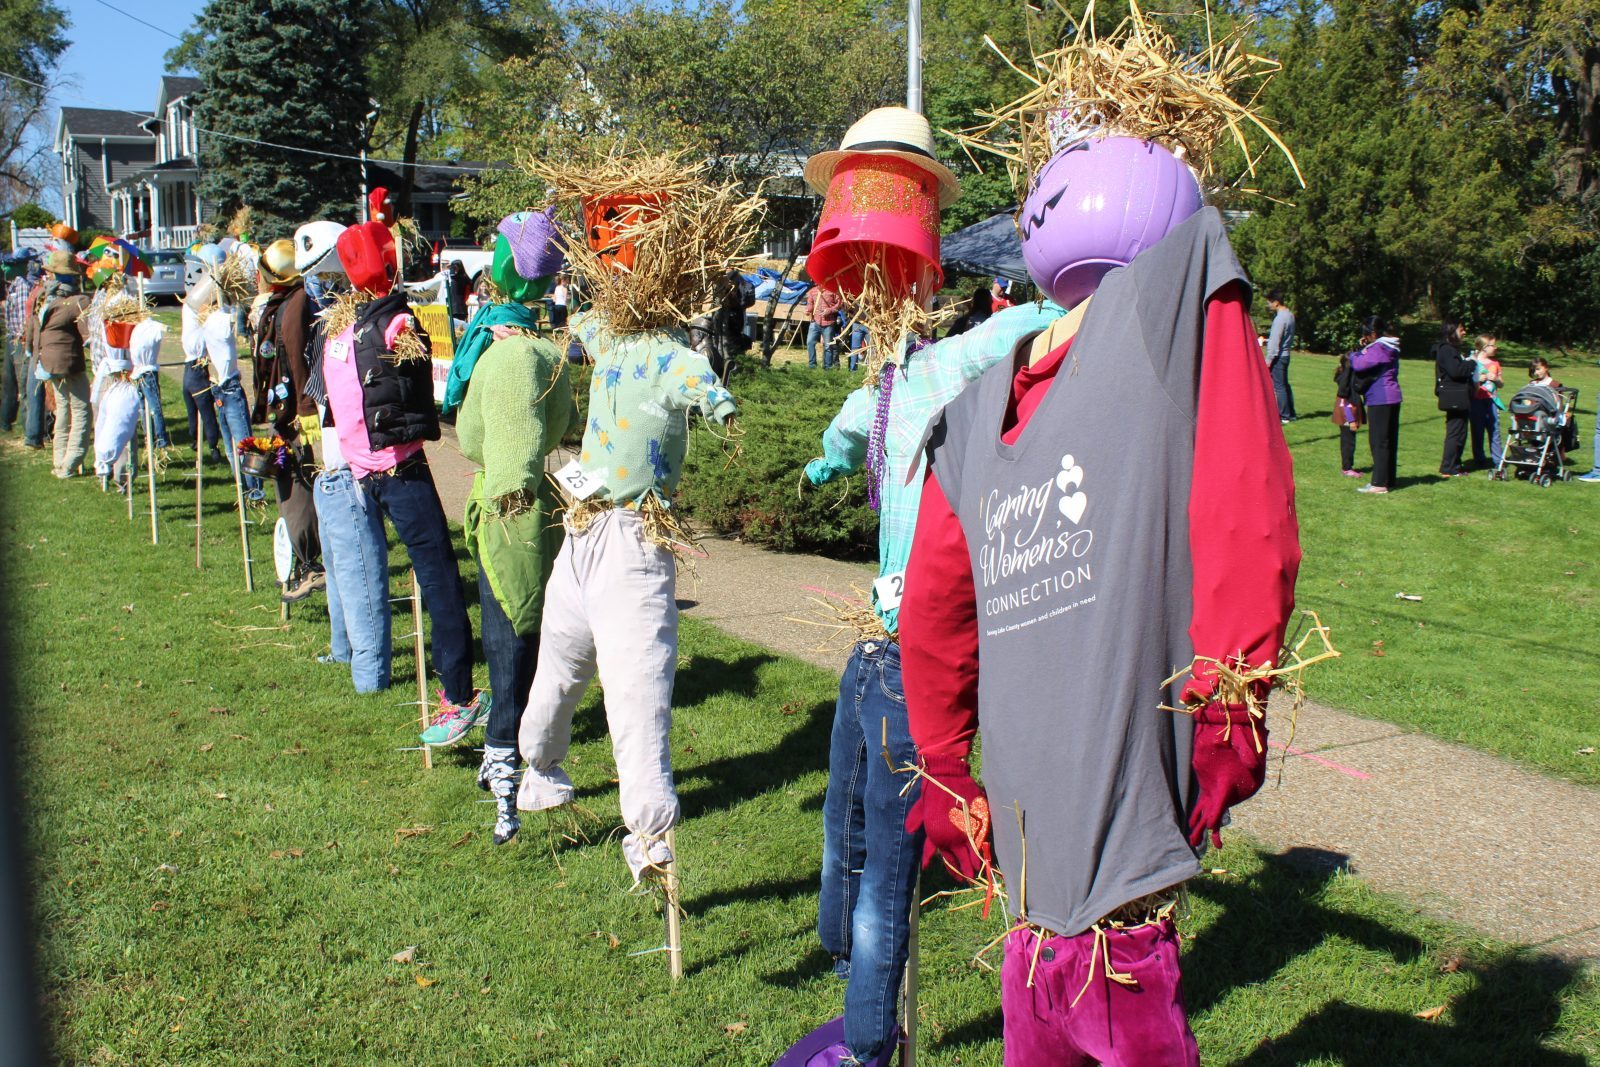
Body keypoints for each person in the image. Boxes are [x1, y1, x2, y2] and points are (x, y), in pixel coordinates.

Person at [515, 150, 744, 885]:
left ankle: (648, 836)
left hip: (636, 540)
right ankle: (539, 769)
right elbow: (575, 322)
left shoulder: (674, 356)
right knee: (557, 667)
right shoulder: (610, 337)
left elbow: (699, 381)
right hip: (584, 528)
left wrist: (721, 403)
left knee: (636, 690)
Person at [313, 220, 485, 731]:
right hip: (399, 469)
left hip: (362, 472)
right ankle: (459, 692)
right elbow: (416, 371)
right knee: (439, 579)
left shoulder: (342, 327)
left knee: (403, 571)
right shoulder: (393, 322)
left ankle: (441, 683)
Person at [448, 215, 570, 844]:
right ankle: (513, 749)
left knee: (512, 639)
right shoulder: (543, 349)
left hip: (510, 509)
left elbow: (481, 440)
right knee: (520, 636)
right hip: (531, 507)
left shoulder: (509, 352)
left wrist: (508, 486)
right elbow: (554, 426)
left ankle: (506, 759)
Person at [299, 221, 396, 696]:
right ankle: (346, 652)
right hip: (337, 467)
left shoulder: (353, 330)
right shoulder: (338, 329)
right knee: (344, 570)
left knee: (356, 572)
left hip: (350, 467)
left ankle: (369, 674)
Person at [252, 238, 323, 601]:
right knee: (286, 486)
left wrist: (303, 411)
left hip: (293, 416)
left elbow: (298, 361)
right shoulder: (281, 303)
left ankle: (311, 565)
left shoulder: (295, 306)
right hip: (282, 411)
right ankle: (303, 563)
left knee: (296, 488)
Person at [28, 251, 91, 479]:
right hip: (68, 363)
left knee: (63, 410)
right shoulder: (78, 301)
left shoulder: (44, 296)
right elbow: (89, 334)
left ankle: (59, 460)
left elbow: (33, 328)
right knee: (82, 410)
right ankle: (71, 462)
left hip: (47, 361)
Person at [1350, 315, 1403, 494]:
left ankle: (1379, 483)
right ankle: (1389, 478)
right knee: (1389, 440)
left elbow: (1359, 364)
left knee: (1379, 441)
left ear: (1372, 333)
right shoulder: (1390, 346)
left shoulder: (1380, 347)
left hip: (1381, 397)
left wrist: (1355, 352)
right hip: (1392, 396)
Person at [1433, 318, 1476, 477]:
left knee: (1460, 431)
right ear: (1451, 331)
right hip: (1454, 396)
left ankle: (1454, 465)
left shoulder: (1451, 349)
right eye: (1461, 329)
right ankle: (1448, 467)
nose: (1464, 332)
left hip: (1459, 396)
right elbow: (1456, 371)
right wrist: (1472, 363)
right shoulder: (1447, 350)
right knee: (1455, 431)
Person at [1469, 333, 1503, 470]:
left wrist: (1496, 378)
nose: (1496, 347)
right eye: (1493, 345)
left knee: (1494, 430)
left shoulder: (1495, 364)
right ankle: (1479, 459)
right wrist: (1479, 379)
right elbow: (1467, 383)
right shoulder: (1472, 363)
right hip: (1476, 401)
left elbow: (1501, 384)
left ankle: (1498, 461)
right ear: (1484, 347)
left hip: (1492, 401)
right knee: (1477, 431)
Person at [1265, 288, 1297, 422]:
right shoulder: (1289, 315)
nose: (1268, 305)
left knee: (1279, 386)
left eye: (1270, 302)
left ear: (1276, 302)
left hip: (1278, 356)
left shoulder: (1280, 319)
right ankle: (1291, 413)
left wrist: (1268, 360)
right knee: (1284, 384)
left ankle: (1284, 416)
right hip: (1286, 354)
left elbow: (1275, 342)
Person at [1333, 350, 1366, 476]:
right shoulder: (1347, 383)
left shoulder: (1346, 379)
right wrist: (1351, 420)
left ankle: (1348, 467)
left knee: (1349, 441)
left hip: (1348, 414)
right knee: (1348, 442)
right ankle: (1347, 468)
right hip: (1347, 415)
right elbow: (1345, 403)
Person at [805, 284, 843, 368]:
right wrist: (808, 310)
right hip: (815, 322)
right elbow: (810, 304)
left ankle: (827, 367)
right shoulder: (813, 291)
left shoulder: (832, 290)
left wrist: (830, 310)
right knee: (810, 342)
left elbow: (840, 304)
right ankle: (812, 365)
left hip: (828, 323)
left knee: (828, 346)